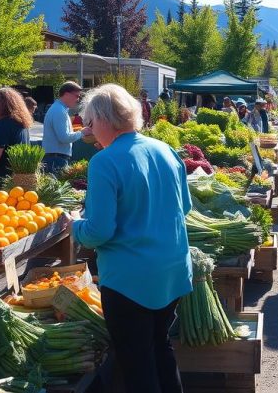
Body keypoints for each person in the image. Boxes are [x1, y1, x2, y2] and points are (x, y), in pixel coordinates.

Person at [69, 84, 191, 393]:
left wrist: (74, 224)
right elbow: (185, 207)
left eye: (91, 122)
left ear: (105, 119)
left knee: (137, 363)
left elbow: (98, 232)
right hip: (172, 269)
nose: (90, 129)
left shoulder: (105, 162)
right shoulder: (165, 150)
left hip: (130, 280)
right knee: (161, 347)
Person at [41, 82, 91, 175]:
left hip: (55, 158)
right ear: (67, 94)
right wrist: (82, 132)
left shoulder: (59, 109)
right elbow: (64, 138)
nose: (78, 99)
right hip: (56, 160)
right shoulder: (59, 111)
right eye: (76, 96)